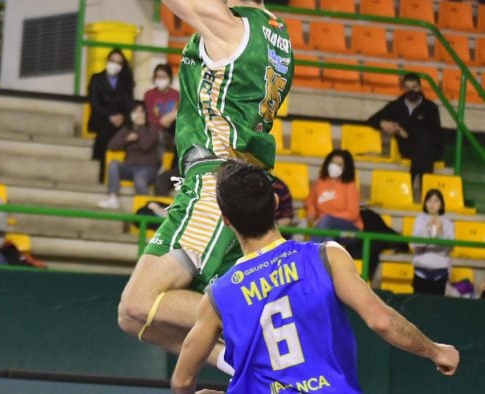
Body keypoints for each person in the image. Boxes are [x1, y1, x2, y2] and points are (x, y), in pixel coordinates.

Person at [116, 0, 294, 374]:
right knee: (137, 321)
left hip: (217, 182)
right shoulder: (275, 31)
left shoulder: (223, 24)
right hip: (225, 182)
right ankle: (236, 362)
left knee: (133, 303)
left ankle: (269, 340)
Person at [171, 162, 459, 393]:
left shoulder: (218, 296)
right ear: (274, 202)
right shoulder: (327, 257)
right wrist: (436, 351)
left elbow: (182, 382)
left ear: (226, 219)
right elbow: (381, 320)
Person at [368, 73, 443, 192]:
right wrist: (383, 123)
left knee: (425, 139)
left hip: (427, 148)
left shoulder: (431, 108)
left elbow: (436, 134)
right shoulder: (395, 106)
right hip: (406, 148)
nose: (411, 91)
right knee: (423, 145)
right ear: (403, 88)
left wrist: (407, 134)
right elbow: (372, 120)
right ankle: (425, 187)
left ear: (420, 88)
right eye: (407, 88)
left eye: (414, 87)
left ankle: (412, 179)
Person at [99, 102, 162, 208]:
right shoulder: (126, 129)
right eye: (135, 112)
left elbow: (145, 146)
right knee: (114, 164)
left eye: (141, 112)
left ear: (145, 114)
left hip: (148, 168)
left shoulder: (152, 129)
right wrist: (127, 139)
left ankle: (145, 208)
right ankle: (113, 198)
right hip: (129, 167)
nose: (138, 115)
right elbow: (111, 145)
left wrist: (141, 127)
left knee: (139, 179)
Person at [87, 48, 135, 178]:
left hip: (120, 120)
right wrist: (110, 116)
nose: (115, 65)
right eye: (113, 61)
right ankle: (101, 173)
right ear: (107, 61)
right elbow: (94, 103)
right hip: (100, 118)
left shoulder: (125, 82)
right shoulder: (96, 79)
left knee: (128, 131)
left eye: (119, 63)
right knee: (104, 132)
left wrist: (122, 117)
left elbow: (129, 105)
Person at [305, 149, 362, 254]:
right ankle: (327, 264)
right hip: (325, 227)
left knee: (327, 221)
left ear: (346, 168)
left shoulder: (350, 186)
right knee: (328, 234)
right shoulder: (321, 182)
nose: (335, 166)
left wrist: (326, 218)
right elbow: (310, 201)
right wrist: (311, 213)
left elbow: (353, 214)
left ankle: (312, 256)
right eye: (333, 162)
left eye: (339, 164)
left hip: (350, 230)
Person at [411, 188, 455, 296]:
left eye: (436, 201)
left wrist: (439, 234)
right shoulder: (419, 220)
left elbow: (448, 249)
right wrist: (428, 229)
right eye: (429, 200)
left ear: (441, 204)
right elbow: (415, 245)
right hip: (421, 270)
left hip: (440, 272)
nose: (432, 204)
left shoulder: (448, 223)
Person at [142, 63, 178, 145]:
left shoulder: (177, 95)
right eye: (158, 77)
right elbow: (150, 118)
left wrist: (171, 117)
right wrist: (163, 121)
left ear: (170, 78)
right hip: (154, 130)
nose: (161, 79)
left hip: (173, 130)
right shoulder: (149, 94)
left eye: (164, 77)